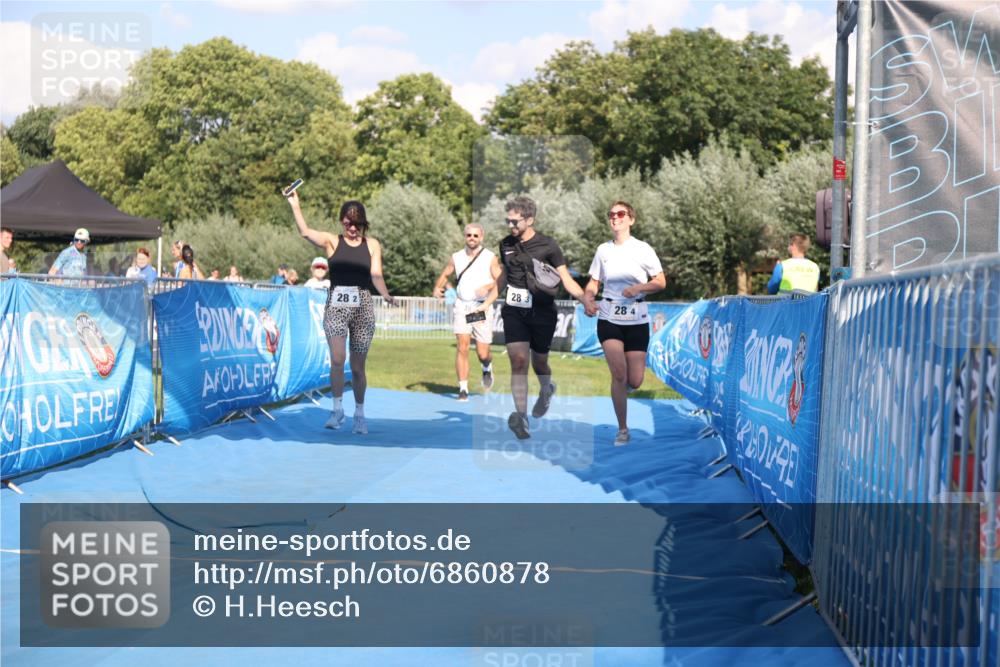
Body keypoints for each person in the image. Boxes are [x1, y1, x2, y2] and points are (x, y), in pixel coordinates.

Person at [286, 190, 396, 435]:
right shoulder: (332, 241)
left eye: (357, 224)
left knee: (357, 367)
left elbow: (376, 274)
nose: (353, 229)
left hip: (363, 306)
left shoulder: (373, 245)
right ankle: (337, 410)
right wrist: (295, 205)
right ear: (342, 222)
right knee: (337, 359)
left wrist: (385, 294)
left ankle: (359, 413)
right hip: (336, 304)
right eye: (348, 223)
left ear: (363, 224)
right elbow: (305, 232)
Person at [496, 195, 589, 439]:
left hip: (542, 312)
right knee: (518, 361)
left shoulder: (548, 245)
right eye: (508, 221)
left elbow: (566, 279)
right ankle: (522, 418)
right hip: (514, 311)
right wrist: (486, 300)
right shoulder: (505, 243)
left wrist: (586, 300)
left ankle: (546, 389)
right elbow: (504, 276)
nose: (510, 226)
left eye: (515, 222)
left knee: (539, 363)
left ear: (530, 219)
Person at [583, 201, 666, 445]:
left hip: (637, 317)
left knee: (636, 380)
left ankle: (623, 389)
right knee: (618, 373)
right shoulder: (603, 250)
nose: (615, 218)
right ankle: (622, 429)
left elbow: (660, 281)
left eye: (620, 214)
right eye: (611, 215)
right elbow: (593, 282)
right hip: (609, 315)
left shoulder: (643, 249)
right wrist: (588, 299)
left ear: (631, 219)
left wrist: (639, 288)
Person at [433, 223, 501, 401]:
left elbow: (501, 280)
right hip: (462, 305)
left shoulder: (489, 257)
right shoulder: (456, 257)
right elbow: (445, 273)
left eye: (476, 236)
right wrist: (436, 288)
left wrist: (488, 286)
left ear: (482, 237)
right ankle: (463, 389)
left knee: (482, 352)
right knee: (462, 347)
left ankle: (487, 367)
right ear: (465, 236)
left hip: (481, 307)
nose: (472, 238)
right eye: (469, 235)